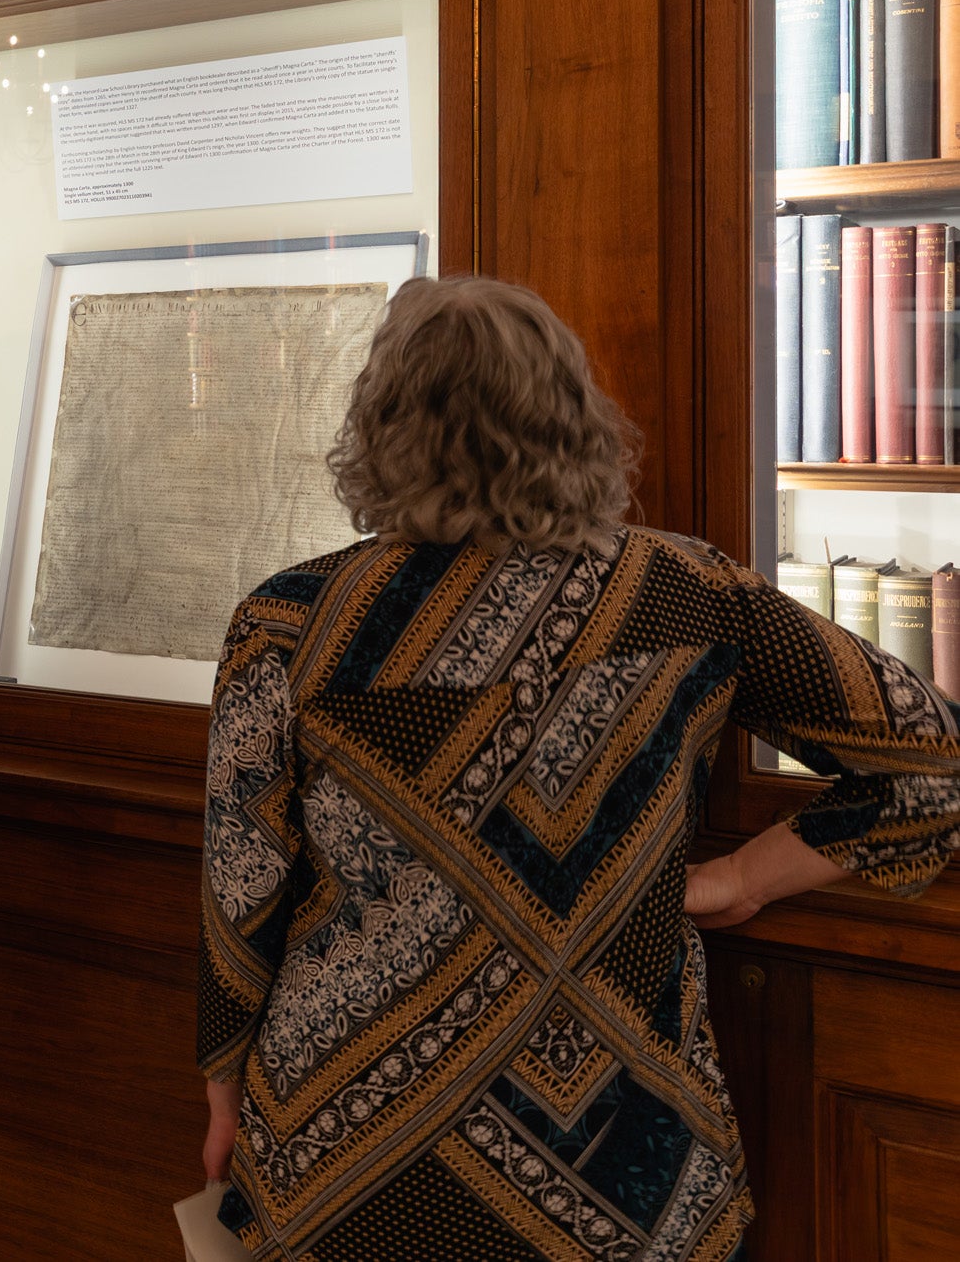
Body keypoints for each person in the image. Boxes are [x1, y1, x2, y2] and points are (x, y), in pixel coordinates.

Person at [195, 276, 960, 1262]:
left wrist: (225, 1091)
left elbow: (241, 890)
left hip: (345, 1150)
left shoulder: (291, 621)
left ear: (382, 426)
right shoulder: (687, 593)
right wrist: (743, 877)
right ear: (572, 419)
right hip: (620, 1167)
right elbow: (929, 761)